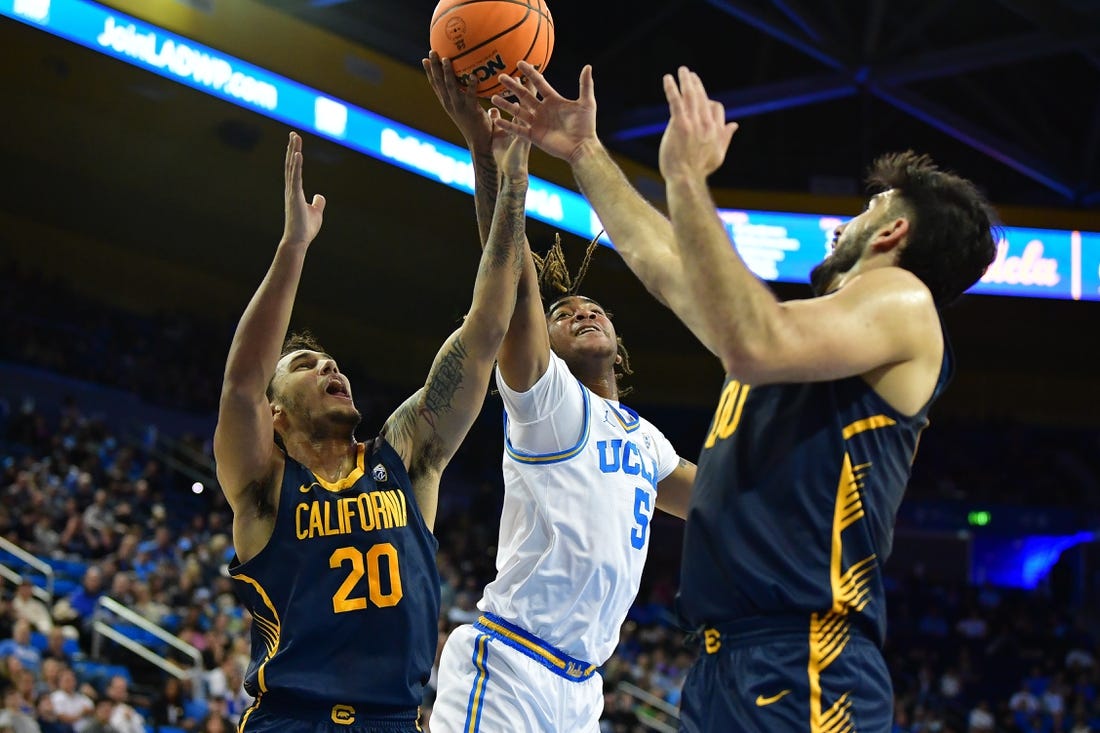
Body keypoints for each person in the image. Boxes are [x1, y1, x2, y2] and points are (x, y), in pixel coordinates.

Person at [492, 63, 997, 732]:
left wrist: (687, 181)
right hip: (725, 663)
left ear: (893, 232)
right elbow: (666, 268)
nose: (838, 228)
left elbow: (752, 342)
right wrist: (585, 152)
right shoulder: (810, 335)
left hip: (805, 658)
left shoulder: (906, 304)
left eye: (863, 212)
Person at [213, 129, 530, 732]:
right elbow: (240, 385)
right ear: (275, 415)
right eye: (304, 366)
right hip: (290, 718)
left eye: (329, 360)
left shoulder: (406, 456)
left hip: (394, 719)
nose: (330, 365)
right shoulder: (263, 488)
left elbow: (487, 327)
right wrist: (294, 247)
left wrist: (509, 182)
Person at [423, 52, 696, 732]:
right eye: (562, 312)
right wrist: (490, 160)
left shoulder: (647, 440)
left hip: (582, 689)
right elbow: (509, 282)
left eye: (592, 307)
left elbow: (721, 496)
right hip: (511, 664)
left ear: (621, 345)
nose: (581, 311)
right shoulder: (549, 403)